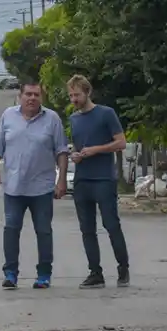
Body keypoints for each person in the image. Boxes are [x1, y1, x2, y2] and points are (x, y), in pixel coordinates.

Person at [0, 81, 69, 289]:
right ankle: (10, 274)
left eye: (36, 94)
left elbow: (61, 151)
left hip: (42, 187)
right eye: (28, 94)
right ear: (20, 96)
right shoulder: (8, 116)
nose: (32, 98)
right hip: (13, 187)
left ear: (41, 97)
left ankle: (44, 274)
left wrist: (61, 179)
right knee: (11, 229)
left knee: (43, 231)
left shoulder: (52, 119)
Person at [67, 75, 130, 288]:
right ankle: (95, 272)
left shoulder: (106, 113)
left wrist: (96, 150)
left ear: (87, 92)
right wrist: (76, 155)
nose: (74, 99)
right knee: (87, 229)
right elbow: (78, 146)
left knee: (111, 224)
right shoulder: (74, 119)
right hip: (82, 179)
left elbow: (121, 142)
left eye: (77, 94)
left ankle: (123, 268)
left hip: (103, 178)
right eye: (71, 95)